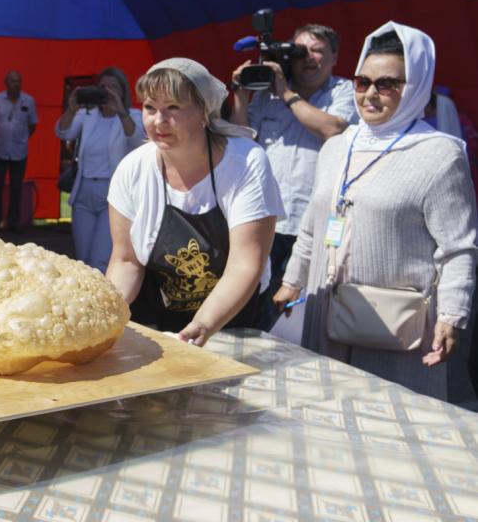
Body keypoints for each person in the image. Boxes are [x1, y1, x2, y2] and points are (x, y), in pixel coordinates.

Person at [273, 22, 477, 400]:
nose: (370, 94)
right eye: (361, 82)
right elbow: (313, 225)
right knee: (321, 410)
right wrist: (292, 281)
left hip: (392, 326)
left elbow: (457, 247)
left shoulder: (439, 154)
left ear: (415, 86)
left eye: (386, 84)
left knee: (392, 422)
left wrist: (451, 315)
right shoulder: (338, 145)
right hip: (325, 311)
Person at [106, 58, 283, 345]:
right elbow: (126, 261)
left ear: (204, 113)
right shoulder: (132, 169)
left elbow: (245, 264)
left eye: (173, 108)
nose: (159, 121)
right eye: (150, 108)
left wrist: (203, 324)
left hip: (234, 322)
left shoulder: (245, 163)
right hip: (162, 322)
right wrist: (106, 314)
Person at [229, 24, 356, 329]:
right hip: (267, 215)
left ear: (335, 56)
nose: (308, 58)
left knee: (296, 308)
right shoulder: (266, 96)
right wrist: (239, 93)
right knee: (250, 298)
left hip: (311, 222)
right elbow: (240, 135)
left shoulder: (345, 90)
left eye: (318, 50)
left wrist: (286, 92)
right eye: (300, 52)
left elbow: (332, 129)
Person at [55, 67, 146, 272]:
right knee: (83, 258)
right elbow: (63, 132)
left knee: (100, 259)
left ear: (122, 91)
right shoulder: (87, 114)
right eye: (104, 87)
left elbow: (139, 141)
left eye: (113, 87)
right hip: (84, 192)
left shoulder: (132, 115)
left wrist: (121, 112)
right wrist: (70, 108)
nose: (108, 91)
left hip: (112, 195)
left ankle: (102, 302)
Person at [0, 71, 38, 231]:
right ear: (6, 83)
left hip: (19, 152)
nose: (16, 84)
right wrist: (1, 137)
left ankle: (13, 223)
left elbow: (33, 124)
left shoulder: (29, 101)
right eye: (12, 81)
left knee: (16, 187)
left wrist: (20, 137)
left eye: (18, 81)